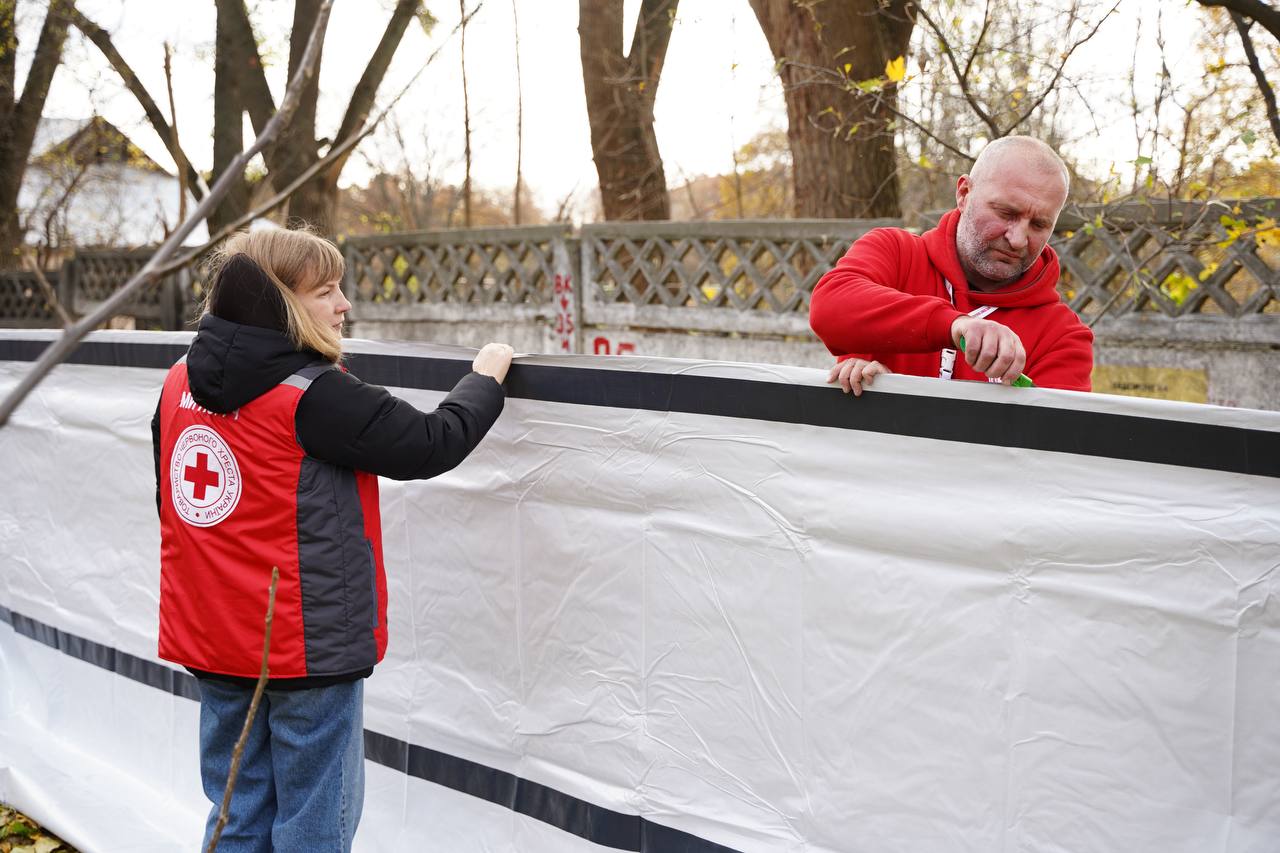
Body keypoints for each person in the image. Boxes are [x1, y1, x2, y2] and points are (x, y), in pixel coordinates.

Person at [151, 226, 512, 851]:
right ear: (282, 305)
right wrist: (487, 377)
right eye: (326, 292)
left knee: (236, 808)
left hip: (214, 640)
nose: (344, 305)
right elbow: (431, 443)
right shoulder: (314, 396)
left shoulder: (178, 380)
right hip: (304, 645)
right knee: (315, 823)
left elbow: (172, 500)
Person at [810, 135, 1093, 396]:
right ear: (964, 193)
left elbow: (1048, 443)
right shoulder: (895, 253)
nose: (1018, 239)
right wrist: (953, 325)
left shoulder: (1064, 335)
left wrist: (899, 401)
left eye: (1039, 225)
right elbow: (828, 307)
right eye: (1006, 213)